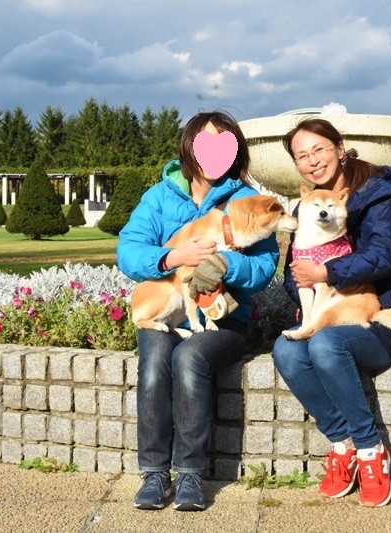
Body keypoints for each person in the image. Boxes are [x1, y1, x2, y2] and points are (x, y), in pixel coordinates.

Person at [117, 110, 280, 511]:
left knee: (189, 357)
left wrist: (224, 264)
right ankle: (154, 473)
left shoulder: (245, 199)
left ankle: (189, 474)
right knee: (155, 359)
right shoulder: (159, 197)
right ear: (188, 148)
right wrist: (173, 257)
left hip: (226, 318)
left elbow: (263, 268)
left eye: (224, 146)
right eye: (204, 144)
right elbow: (128, 251)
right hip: (171, 311)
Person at [272, 117, 391, 508]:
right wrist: (308, 285)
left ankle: (370, 450)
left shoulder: (376, 193)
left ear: (339, 147)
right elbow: (294, 272)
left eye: (319, 149)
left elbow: (384, 255)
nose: (313, 160)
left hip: (379, 319)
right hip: (328, 316)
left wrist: (328, 273)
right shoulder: (307, 205)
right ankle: (342, 443)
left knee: (326, 345)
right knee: (285, 350)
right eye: (302, 156)